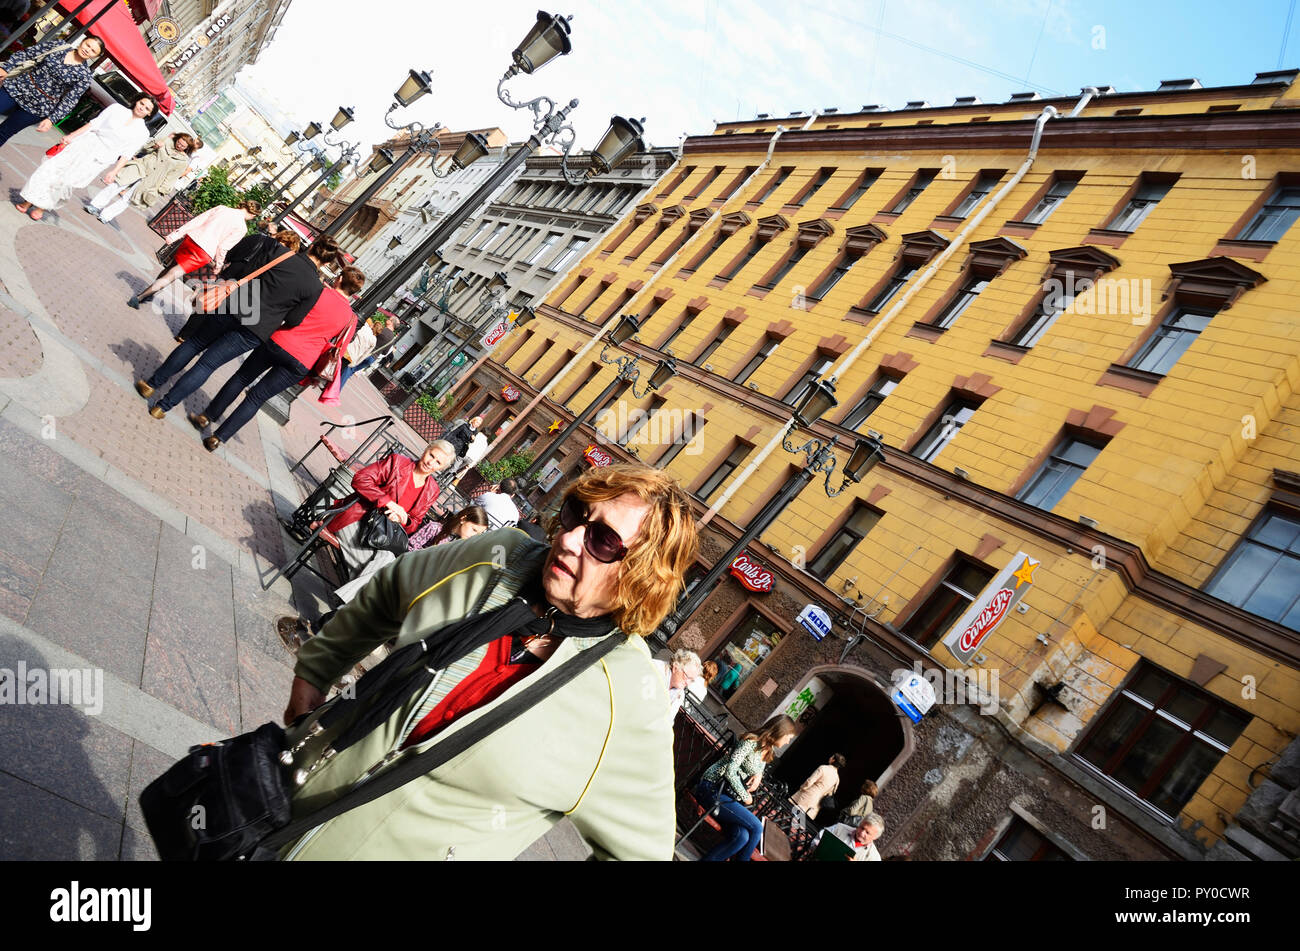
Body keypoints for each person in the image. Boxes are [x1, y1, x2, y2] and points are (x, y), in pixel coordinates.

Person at [275, 463, 699, 860]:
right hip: (276, 814)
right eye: (574, 515)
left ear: (645, 576)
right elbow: (392, 587)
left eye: (603, 541)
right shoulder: (501, 556)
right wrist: (315, 670)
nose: (568, 540)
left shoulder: (627, 699)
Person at [136, 232, 329, 422]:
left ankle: (152, 384)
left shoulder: (280, 252)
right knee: (208, 364)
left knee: (194, 344)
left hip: (237, 304)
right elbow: (294, 320)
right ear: (326, 263)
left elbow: (247, 272)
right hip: (256, 328)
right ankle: (163, 407)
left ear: (311, 246)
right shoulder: (315, 287)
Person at [192, 265, 366, 452]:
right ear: (354, 292)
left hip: (279, 340)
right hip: (303, 361)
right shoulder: (351, 319)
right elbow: (339, 351)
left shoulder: (319, 292)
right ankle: (218, 438)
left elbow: (291, 312)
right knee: (257, 399)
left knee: (241, 378)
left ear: (339, 279)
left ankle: (208, 416)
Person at [328, 442, 455, 605]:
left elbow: (414, 522)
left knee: (386, 558)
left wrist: (404, 519)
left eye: (438, 462)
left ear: (441, 468)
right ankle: (346, 609)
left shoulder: (432, 489)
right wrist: (388, 502)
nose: (431, 462)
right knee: (380, 576)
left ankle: (343, 607)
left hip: (379, 536)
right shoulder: (397, 462)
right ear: (426, 450)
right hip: (355, 518)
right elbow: (361, 479)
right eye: (432, 455)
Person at [16, 93, 154, 221]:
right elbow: (93, 124)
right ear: (137, 101)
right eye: (142, 103)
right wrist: (71, 136)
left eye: (147, 108)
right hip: (85, 143)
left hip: (100, 158)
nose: (142, 108)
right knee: (52, 169)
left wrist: (114, 172)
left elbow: (127, 154)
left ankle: (42, 207)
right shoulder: (116, 109)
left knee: (66, 182)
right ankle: (28, 201)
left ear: (149, 114)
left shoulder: (143, 133)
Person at [696, 715, 798, 861]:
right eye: (788, 737)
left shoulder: (767, 752)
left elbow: (756, 771)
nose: (788, 741)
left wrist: (759, 775)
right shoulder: (750, 741)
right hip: (712, 789)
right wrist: (746, 797)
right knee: (757, 827)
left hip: (727, 799)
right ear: (779, 731)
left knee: (741, 837)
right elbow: (730, 770)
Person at [129, 198, 261, 309]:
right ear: (253, 214)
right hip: (204, 252)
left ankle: (151, 292)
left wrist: (176, 234)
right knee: (174, 273)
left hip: (192, 239)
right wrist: (218, 265)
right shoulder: (241, 227)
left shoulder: (222, 208)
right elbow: (223, 247)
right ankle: (141, 296)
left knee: (171, 267)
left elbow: (198, 220)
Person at [0, 33, 100, 149]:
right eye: (88, 45)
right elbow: (29, 53)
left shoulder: (84, 75)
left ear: (95, 56)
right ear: (83, 41)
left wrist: (51, 119)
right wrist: (6, 68)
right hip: (17, 87)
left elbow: (70, 100)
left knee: (3, 133)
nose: (88, 50)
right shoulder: (59, 46)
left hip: (38, 107)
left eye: (93, 51)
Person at [85, 131, 193, 223]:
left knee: (129, 198)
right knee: (117, 185)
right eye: (179, 142)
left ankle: (106, 216)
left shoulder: (183, 161)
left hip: (153, 180)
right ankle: (95, 205)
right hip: (141, 167)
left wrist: (161, 189)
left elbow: (172, 177)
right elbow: (145, 149)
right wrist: (155, 145)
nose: (179, 146)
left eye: (183, 146)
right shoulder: (166, 141)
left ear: (187, 148)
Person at [338, 314, 398, 391]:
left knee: (348, 368)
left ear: (391, 322)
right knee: (350, 370)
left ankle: (335, 390)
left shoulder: (382, 329)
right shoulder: (392, 339)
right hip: (373, 358)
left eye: (389, 319)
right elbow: (385, 352)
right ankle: (334, 386)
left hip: (365, 353)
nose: (387, 319)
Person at [406, 503, 490, 552]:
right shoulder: (435, 528)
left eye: (478, 534)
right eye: (474, 530)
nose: (474, 536)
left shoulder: (461, 547)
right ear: (463, 519)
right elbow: (409, 547)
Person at [789, 753, 846, 822]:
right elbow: (830, 794)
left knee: (789, 813)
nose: (830, 757)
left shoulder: (823, 768)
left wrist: (802, 788)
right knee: (800, 821)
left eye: (832, 757)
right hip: (817, 802)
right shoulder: (837, 779)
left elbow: (809, 781)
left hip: (808, 794)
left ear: (833, 760)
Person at [653, 648, 702, 723]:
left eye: (691, 680)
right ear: (675, 667)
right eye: (687, 677)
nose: (688, 683)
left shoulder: (680, 695)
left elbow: (668, 721)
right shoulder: (655, 669)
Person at [821, 813, 885, 861]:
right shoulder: (840, 828)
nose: (862, 833)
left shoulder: (874, 857)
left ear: (875, 837)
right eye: (862, 828)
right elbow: (819, 837)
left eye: (867, 832)